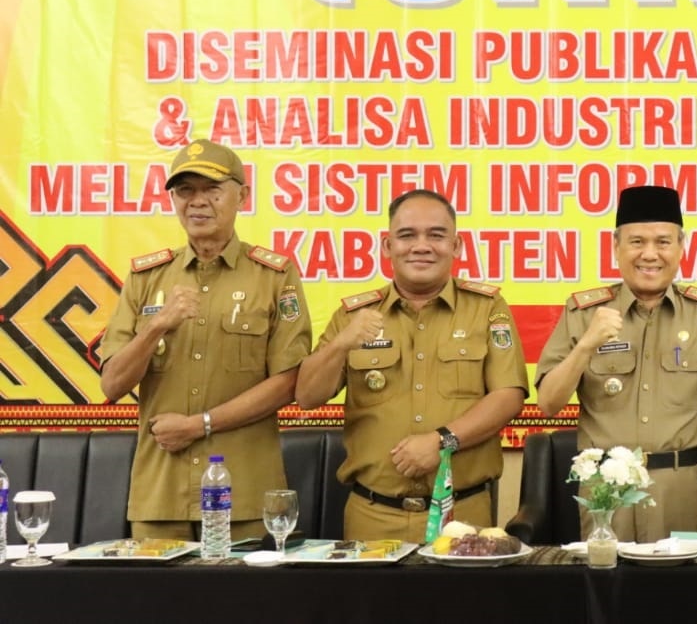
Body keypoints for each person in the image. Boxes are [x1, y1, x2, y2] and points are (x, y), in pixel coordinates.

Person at [100, 140, 312, 541]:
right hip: (160, 497)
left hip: (245, 495)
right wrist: (156, 327)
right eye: (185, 190)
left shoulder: (273, 275)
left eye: (212, 189)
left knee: (245, 586)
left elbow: (288, 383)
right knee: (153, 587)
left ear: (242, 196)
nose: (197, 202)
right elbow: (111, 384)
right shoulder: (146, 278)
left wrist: (199, 425)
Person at [295, 189, 527, 540]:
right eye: (407, 235)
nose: (421, 246)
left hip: (461, 514)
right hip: (373, 516)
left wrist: (442, 441)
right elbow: (307, 396)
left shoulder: (486, 308)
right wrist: (341, 343)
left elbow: (508, 396)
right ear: (387, 246)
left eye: (436, 235)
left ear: (456, 246)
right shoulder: (354, 315)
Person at [535, 185, 697, 542]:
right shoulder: (583, 313)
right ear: (615, 246)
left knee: (682, 580)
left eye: (663, 242)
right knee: (607, 579)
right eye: (637, 242)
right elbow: (547, 404)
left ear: (681, 247)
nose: (650, 254)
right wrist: (586, 345)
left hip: (681, 491)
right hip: (606, 494)